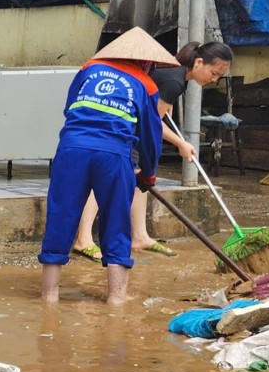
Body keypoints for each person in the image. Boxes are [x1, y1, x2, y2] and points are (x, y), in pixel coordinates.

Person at [40, 27, 176, 306]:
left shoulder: (89, 68)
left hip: (71, 150)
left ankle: (49, 297)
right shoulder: (145, 83)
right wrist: (148, 173)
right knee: (116, 223)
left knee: (60, 216)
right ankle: (117, 300)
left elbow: (70, 108)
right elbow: (151, 136)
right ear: (147, 62)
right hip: (113, 155)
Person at [71, 40, 235, 261]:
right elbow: (152, 125)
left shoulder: (177, 76)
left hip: (130, 129)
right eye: (213, 72)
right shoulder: (175, 80)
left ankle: (139, 236)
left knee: (142, 180)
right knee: (106, 179)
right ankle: (83, 239)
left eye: (218, 76)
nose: (214, 79)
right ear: (198, 62)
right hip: (124, 130)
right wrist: (181, 143)